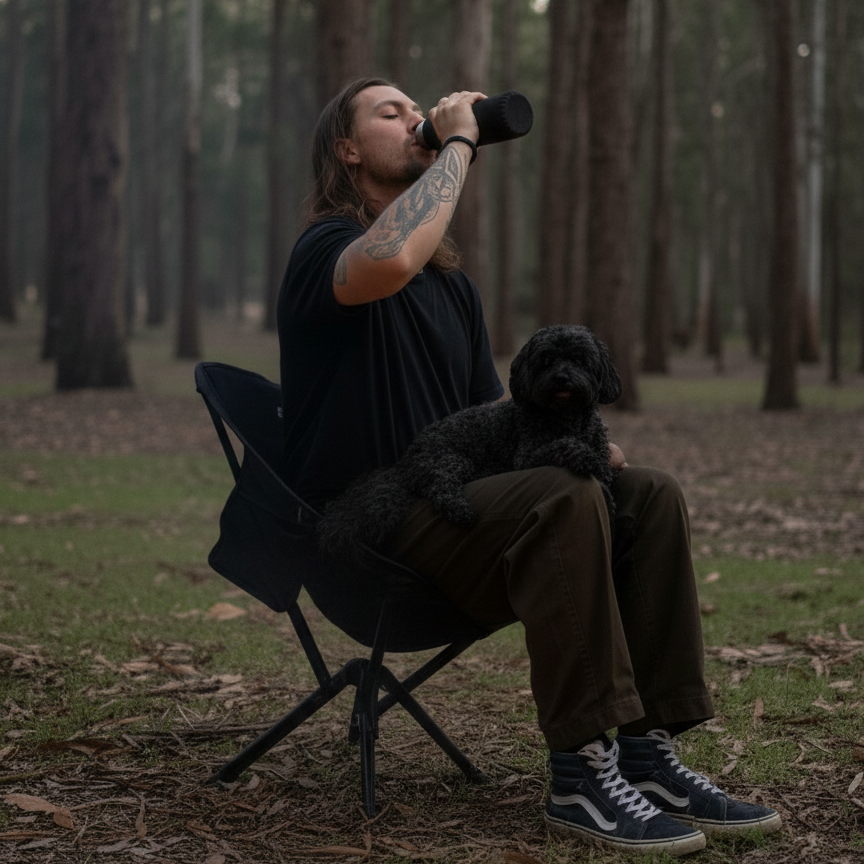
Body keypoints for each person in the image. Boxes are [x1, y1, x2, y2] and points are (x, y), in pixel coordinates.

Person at [276, 77, 781, 856]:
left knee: (645, 493)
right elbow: (388, 260)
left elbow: (507, 421)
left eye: (419, 108)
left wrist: (587, 437)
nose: (416, 116)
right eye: (391, 112)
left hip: (466, 522)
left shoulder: (453, 290)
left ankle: (644, 753)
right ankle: (582, 770)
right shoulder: (325, 252)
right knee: (564, 495)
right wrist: (459, 141)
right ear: (346, 150)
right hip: (370, 537)